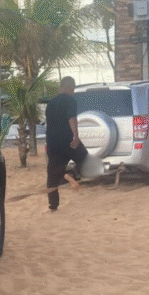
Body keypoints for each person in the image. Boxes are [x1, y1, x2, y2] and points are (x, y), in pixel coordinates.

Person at [44, 76, 85, 212]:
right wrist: (76, 136)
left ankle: (53, 205)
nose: (73, 92)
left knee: (52, 174)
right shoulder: (70, 101)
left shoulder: (50, 103)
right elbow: (72, 118)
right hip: (68, 141)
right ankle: (70, 175)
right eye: (73, 89)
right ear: (69, 87)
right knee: (84, 158)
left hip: (52, 142)